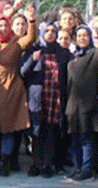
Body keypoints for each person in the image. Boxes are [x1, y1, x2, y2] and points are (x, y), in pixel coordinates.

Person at [0, 10, 37, 176]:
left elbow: (30, 39)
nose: (2, 28)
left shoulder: (15, 42)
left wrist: (31, 22)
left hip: (10, 90)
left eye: (5, 25)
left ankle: (5, 160)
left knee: (7, 128)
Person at [22, 21, 72, 178]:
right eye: (47, 31)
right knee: (37, 131)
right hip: (38, 97)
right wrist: (33, 60)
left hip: (54, 97)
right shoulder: (34, 50)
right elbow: (23, 72)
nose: (50, 33)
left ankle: (48, 164)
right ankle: (36, 163)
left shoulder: (63, 52)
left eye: (53, 31)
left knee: (50, 131)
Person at [64, 23, 98, 182]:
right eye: (79, 36)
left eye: (85, 35)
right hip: (73, 104)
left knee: (86, 138)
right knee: (75, 139)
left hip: (88, 104)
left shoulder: (94, 54)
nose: (82, 38)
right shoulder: (74, 56)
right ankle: (78, 166)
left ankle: (87, 169)